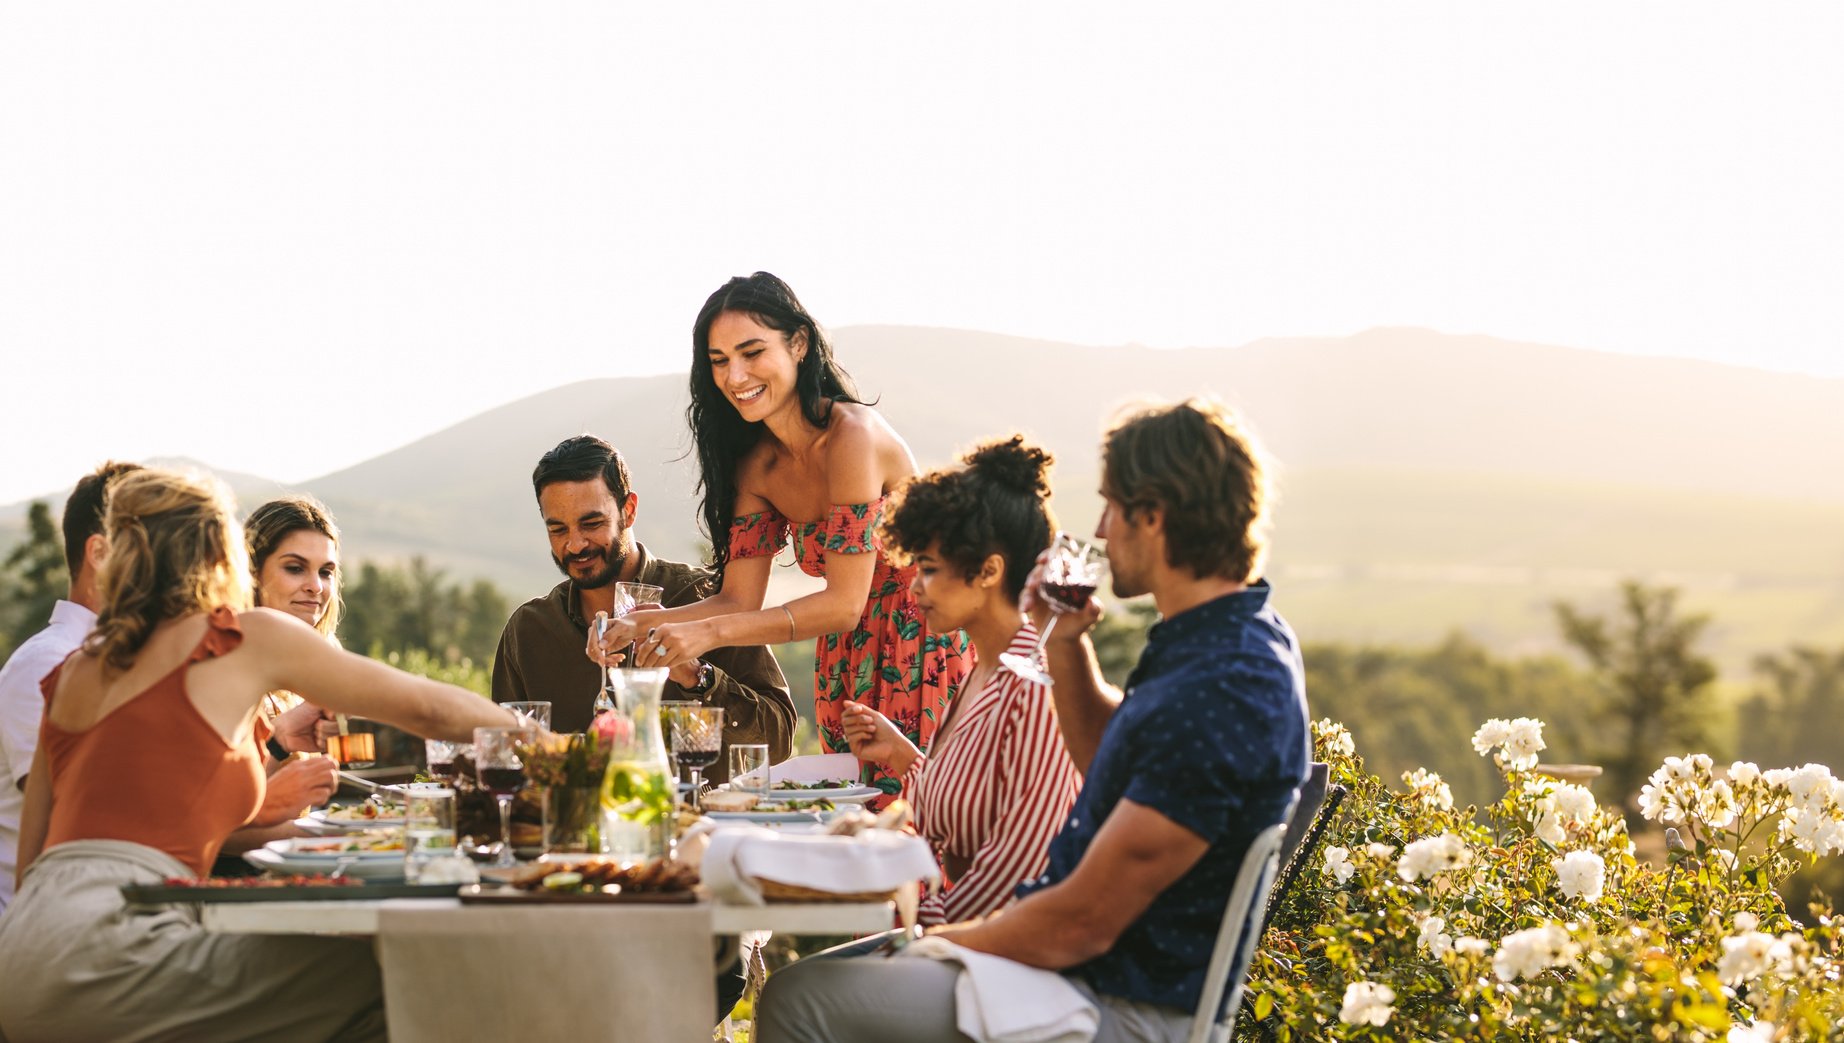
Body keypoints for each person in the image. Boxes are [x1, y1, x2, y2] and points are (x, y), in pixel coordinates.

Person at [756, 399, 1311, 1043]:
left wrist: (940, 942)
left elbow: (1085, 921)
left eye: (1111, 506)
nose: (1100, 530)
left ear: (1153, 516)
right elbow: (1110, 757)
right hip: (1078, 976)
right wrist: (1070, 645)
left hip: (1117, 1002)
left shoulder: (1227, 683)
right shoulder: (1208, 639)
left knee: (801, 1000)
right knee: (818, 984)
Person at [0, 468, 520, 1041]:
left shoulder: (75, 671)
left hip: (22, 956)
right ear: (223, 556)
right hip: (119, 945)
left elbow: (34, 865)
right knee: (409, 974)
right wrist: (541, 743)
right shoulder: (242, 637)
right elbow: (429, 710)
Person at [592, 272, 970, 799]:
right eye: (719, 360)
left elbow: (843, 604)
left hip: (924, 643)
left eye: (751, 352)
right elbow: (737, 597)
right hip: (846, 660)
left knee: (923, 816)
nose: (735, 375)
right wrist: (641, 626)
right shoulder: (757, 466)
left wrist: (713, 634)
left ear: (799, 343)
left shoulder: (852, 438)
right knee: (853, 819)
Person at [840, 435, 1080, 924]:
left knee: (798, 996)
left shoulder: (1035, 685)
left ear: (989, 570)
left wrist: (903, 918)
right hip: (963, 931)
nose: (915, 586)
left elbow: (1018, 875)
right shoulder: (983, 670)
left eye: (928, 569)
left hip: (1006, 953)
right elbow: (970, 807)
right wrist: (905, 756)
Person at [495, 435, 796, 775]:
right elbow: (502, 753)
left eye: (592, 524)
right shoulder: (529, 629)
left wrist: (698, 677)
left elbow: (779, 738)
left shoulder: (708, 597)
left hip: (703, 824)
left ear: (629, 509)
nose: (575, 544)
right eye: (558, 529)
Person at [0, 462, 141, 914]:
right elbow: (85, 816)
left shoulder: (121, 660)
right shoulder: (45, 663)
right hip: (47, 924)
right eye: (151, 548)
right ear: (99, 553)